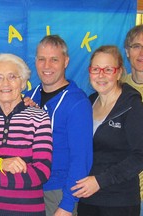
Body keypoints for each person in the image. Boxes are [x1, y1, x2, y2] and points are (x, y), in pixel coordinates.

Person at [0, 53, 53, 215]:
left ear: (23, 83)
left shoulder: (39, 117)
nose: (5, 83)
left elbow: (41, 172)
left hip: (26, 212)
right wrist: (0, 164)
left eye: (12, 76)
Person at [25, 35, 93, 216]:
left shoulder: (77, 103)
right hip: (26, 189)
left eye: (54, 59)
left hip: (56, 193)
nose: (47, 66)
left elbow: (81, 159)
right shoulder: (28, 97)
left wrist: (67, 205)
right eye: (41, 59)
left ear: (66, 61)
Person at [71, 45, 143, 216]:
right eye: (96, 69)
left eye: (108, 69)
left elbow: (140, 155)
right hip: (87, 198)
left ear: (119, 73)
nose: (101, 75)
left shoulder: (132, 105)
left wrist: (99, 181)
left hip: (119, 202)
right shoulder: (88, 102)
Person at [123, 24, 143, 216]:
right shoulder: (117, 88)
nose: (141, 52)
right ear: (127, 52)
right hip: (125, 189)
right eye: (136, 46)